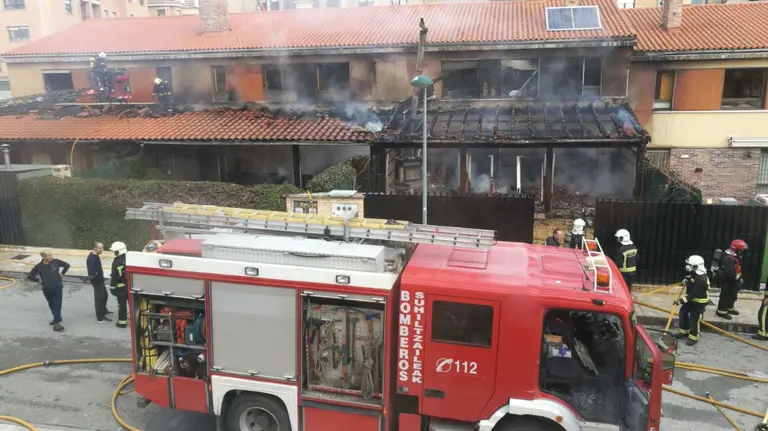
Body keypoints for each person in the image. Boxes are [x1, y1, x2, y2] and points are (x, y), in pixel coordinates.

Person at [27, 250, 70, 332]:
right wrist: (38, 280)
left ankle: (57, 323)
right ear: (43, 257)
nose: (51, 257)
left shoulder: (56, 262)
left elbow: (67, 265)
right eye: (48, 256)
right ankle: (57, 317)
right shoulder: (39, 266)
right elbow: (30, 276)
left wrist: (62, 273)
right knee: (51, 304)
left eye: (51, 255)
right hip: (46, 288)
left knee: (57, 304)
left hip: (57, 287)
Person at [675, 255, 710, 346]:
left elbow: (695, 292)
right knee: (683, 313)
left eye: (690, 265)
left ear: (696, 266)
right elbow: (690, 277)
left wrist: (684, 299)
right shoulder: (695, 273)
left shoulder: (701, 278)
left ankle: (694, 337)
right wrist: (686, 280)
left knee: (694, 319)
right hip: (691, 299)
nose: (688, 267)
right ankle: (684, 331)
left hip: (699, 301)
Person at [715, 239, 747, 321]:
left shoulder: (734, 255)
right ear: (736, 249)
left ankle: (730, 308)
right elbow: (729, 272)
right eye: (741, 250)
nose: (742, 251)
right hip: (728, 280)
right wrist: (736, 276)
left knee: (732, 294)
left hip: (733, 280)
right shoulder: (729, 258)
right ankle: (721, 311)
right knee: (726, 295)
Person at [86, 242, 112, 323]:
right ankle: (100, 318)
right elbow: (91, 272)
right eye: (100, 248)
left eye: (102, 248)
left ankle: (104, 310)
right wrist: (97, 275)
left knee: (105, 296)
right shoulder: (91, 258)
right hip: (97, 281)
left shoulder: (96, 256)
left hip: (100, 279)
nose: (102, 250)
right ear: (95, 248)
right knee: (99, 298)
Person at [110, 241, 129, 329]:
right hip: (130, 286)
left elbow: (114, 276)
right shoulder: (129, 258)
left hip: (121, 288)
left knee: (122, 306)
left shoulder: (116, 261)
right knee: (133, 305)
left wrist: (112, 287)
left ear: (117, 252)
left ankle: (122, 323)